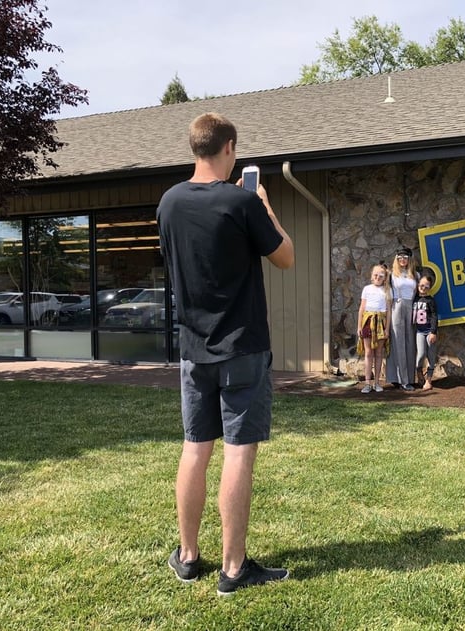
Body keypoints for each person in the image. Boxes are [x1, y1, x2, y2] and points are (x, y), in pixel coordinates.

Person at [157, 112, 294, 596]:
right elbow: (285, 255)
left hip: (194, 349)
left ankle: (188, 556)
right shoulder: (242, 202)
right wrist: (264, 206)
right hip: (242, 346)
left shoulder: (169, 203)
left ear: (195, 147)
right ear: (229, 147)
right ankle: (233, 569)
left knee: (196, 449)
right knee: (238, 452)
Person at [385, 247, 419, 391]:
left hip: (411, 306)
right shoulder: (392, 275)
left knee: (410, 342)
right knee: (397, 342)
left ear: (409, 259)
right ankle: (399, 378)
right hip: (397, 306)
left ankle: (409, 378)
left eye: (405, 257)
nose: (402, 260)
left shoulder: (415, 275)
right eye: (399, 258)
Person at [356, 264, 391, 393]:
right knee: (368, 352)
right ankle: (367, 383)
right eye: (375, 275)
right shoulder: (366, 289)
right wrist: (359, 325)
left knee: (378, 353)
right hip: (368, 321)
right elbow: (361, 308)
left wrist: (387, 329)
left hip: (381, 322)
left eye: (381, 275)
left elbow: (388, 311)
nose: (378, 277)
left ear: (384, 277)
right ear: (371, 276)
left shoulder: (387, 290)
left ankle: (377, 382)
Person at [411, 273, 439, 390]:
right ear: (418, 285)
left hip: (429, 331)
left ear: (430, 288)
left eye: (426, 286)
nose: (423, 288)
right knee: (421, 354)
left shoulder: (430, 300)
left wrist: (433, 332)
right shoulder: (415, 299)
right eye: (421, 285)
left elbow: (434, 316)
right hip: (419, 332)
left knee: (431, 357)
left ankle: (428, 381)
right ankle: (419, 373)